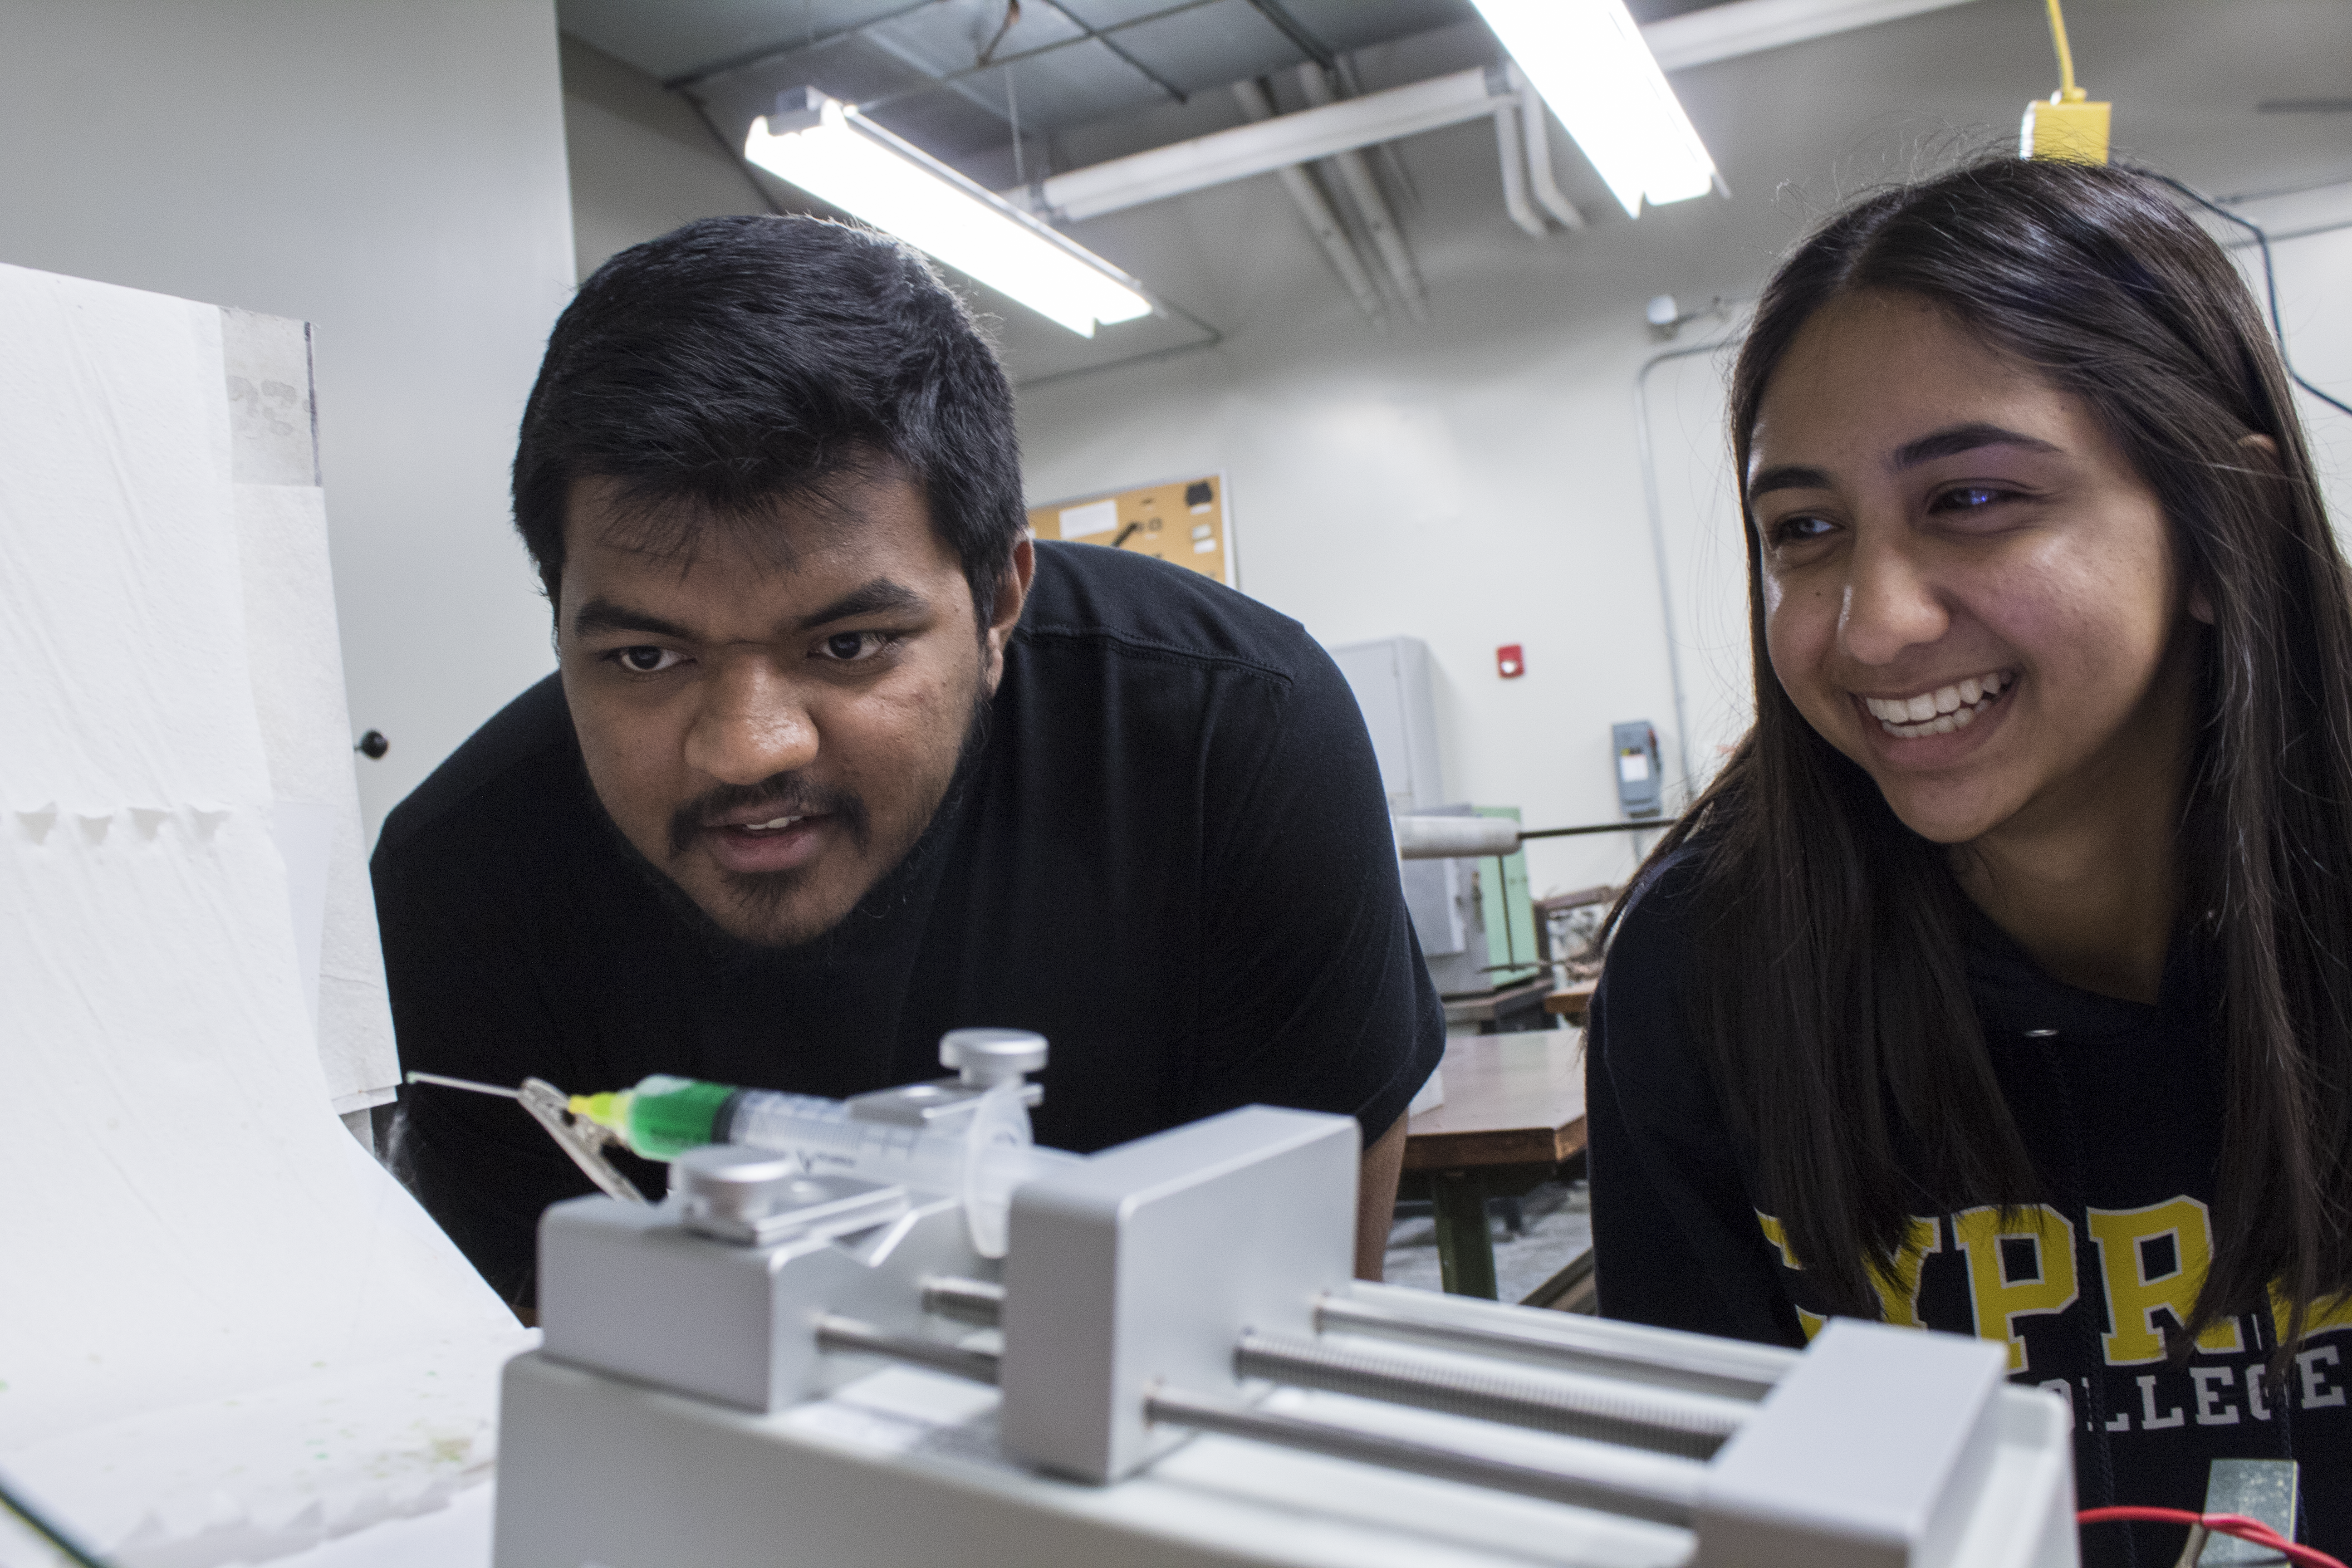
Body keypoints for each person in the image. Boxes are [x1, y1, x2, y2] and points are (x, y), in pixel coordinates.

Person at [374, 215, 1443, 1313]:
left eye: (848, 646)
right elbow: (537, 1377)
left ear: (999, 601)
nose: (749, 747)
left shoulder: (1238, 740)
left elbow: (1307, 1341)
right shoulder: (461, 880)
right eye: (647, 655)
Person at [1588, 156, 2351, 1564]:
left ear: (2218, 527)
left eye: (1976, 499)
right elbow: (1700, 1498)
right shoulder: (1711, 973)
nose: (1871, 625)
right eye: (1803, 532)